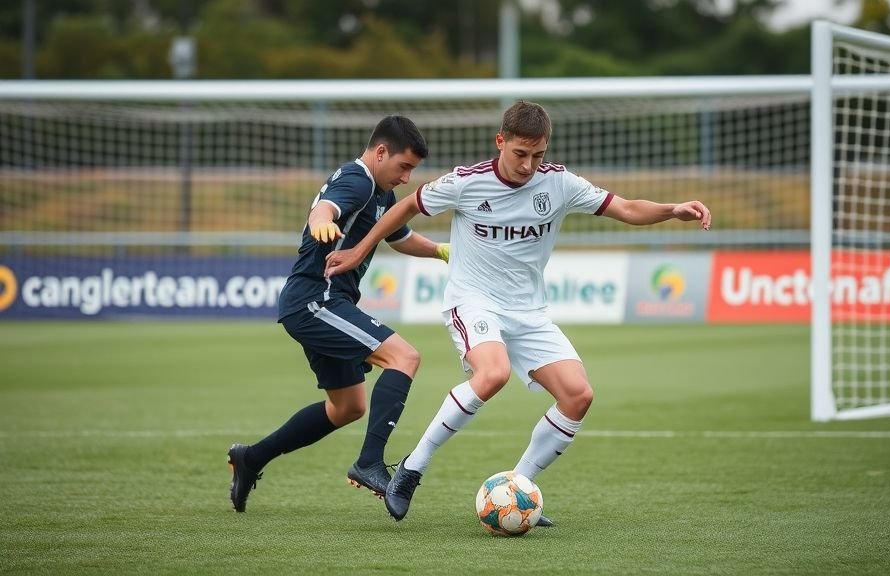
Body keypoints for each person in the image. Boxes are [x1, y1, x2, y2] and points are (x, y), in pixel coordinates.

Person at [323, 101, 711, 525]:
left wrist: (672, 209)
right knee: (493, 374)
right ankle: (411, 470)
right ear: (500, 141)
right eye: (520, 154)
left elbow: (628, 208)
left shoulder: (559, 184)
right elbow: (406, 207)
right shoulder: (467, 182)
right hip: (473, 300)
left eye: (538, 155)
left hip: (529, 312)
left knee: (578, 396)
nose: (528, 165)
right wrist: (359, 250)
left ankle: (519, 487)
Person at [227, 115, 450, 513]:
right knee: (404, 357)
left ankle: (251, 458)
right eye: (403, 166)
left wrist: (442, 251)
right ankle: (369, 463)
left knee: (347, 408)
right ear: (380, 152)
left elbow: (399, 237)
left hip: (326, 302)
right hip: (316, 300)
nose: (406, 178)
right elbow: (324, 208)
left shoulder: (380, 192)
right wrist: (322, 223)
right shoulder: (358, 180)